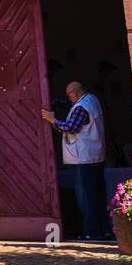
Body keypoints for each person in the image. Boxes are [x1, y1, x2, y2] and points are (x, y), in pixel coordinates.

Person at [42, 81, 112, 241]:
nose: (69, 99)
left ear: (76, 92)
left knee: (86, 199)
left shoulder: (81, 107)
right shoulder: (92, 100)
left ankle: (91, 232)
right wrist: (52, 101)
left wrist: (52, 120)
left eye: (69, 95)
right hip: (95, 156)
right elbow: (69, 106)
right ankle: (105, 230)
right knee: (98, 196)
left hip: (83, 158)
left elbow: (71, 127)